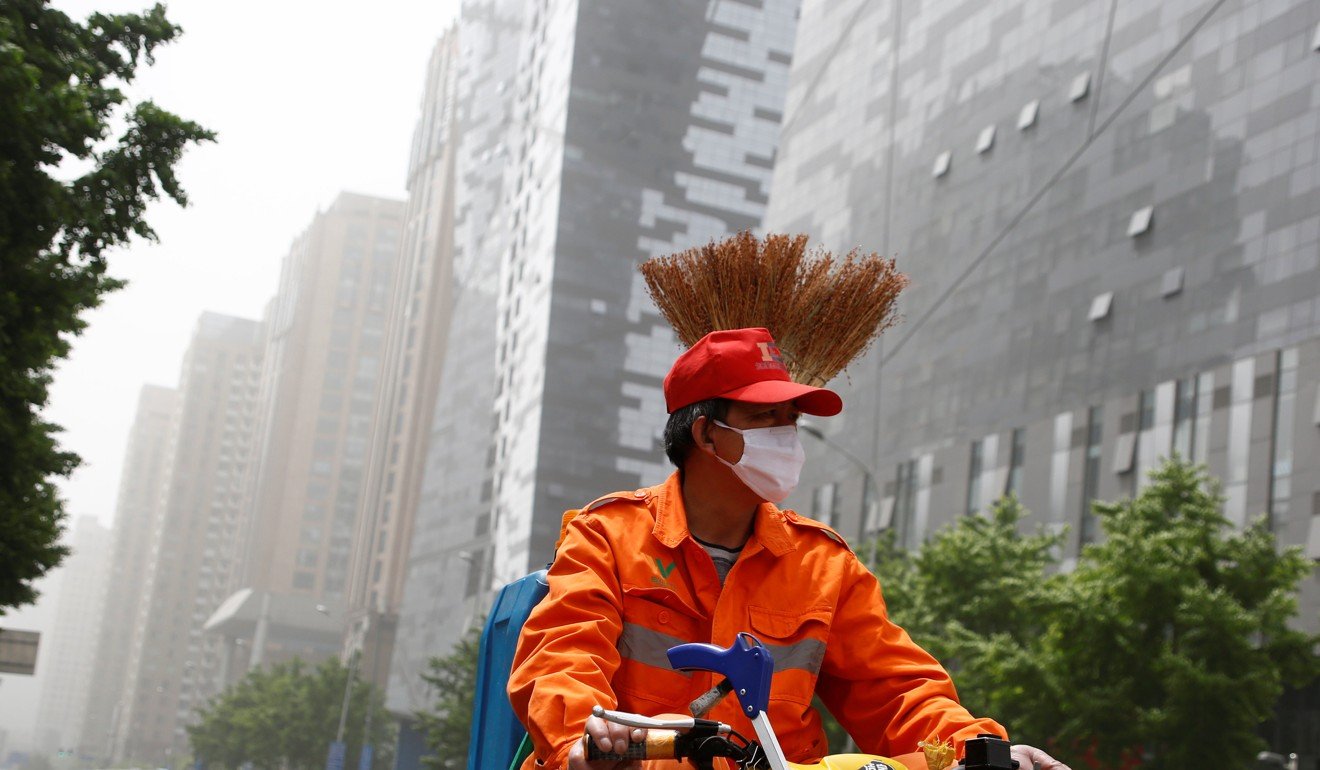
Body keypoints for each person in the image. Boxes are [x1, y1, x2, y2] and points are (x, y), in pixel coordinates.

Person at [508, 328, 1069, 770]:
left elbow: (897, 691)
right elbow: (562, 655)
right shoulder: (608, 534)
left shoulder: (824, 565)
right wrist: (585, 736)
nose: (786, 436)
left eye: (791, 420)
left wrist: (979, 751)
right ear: (704, 435)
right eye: (763, 417)